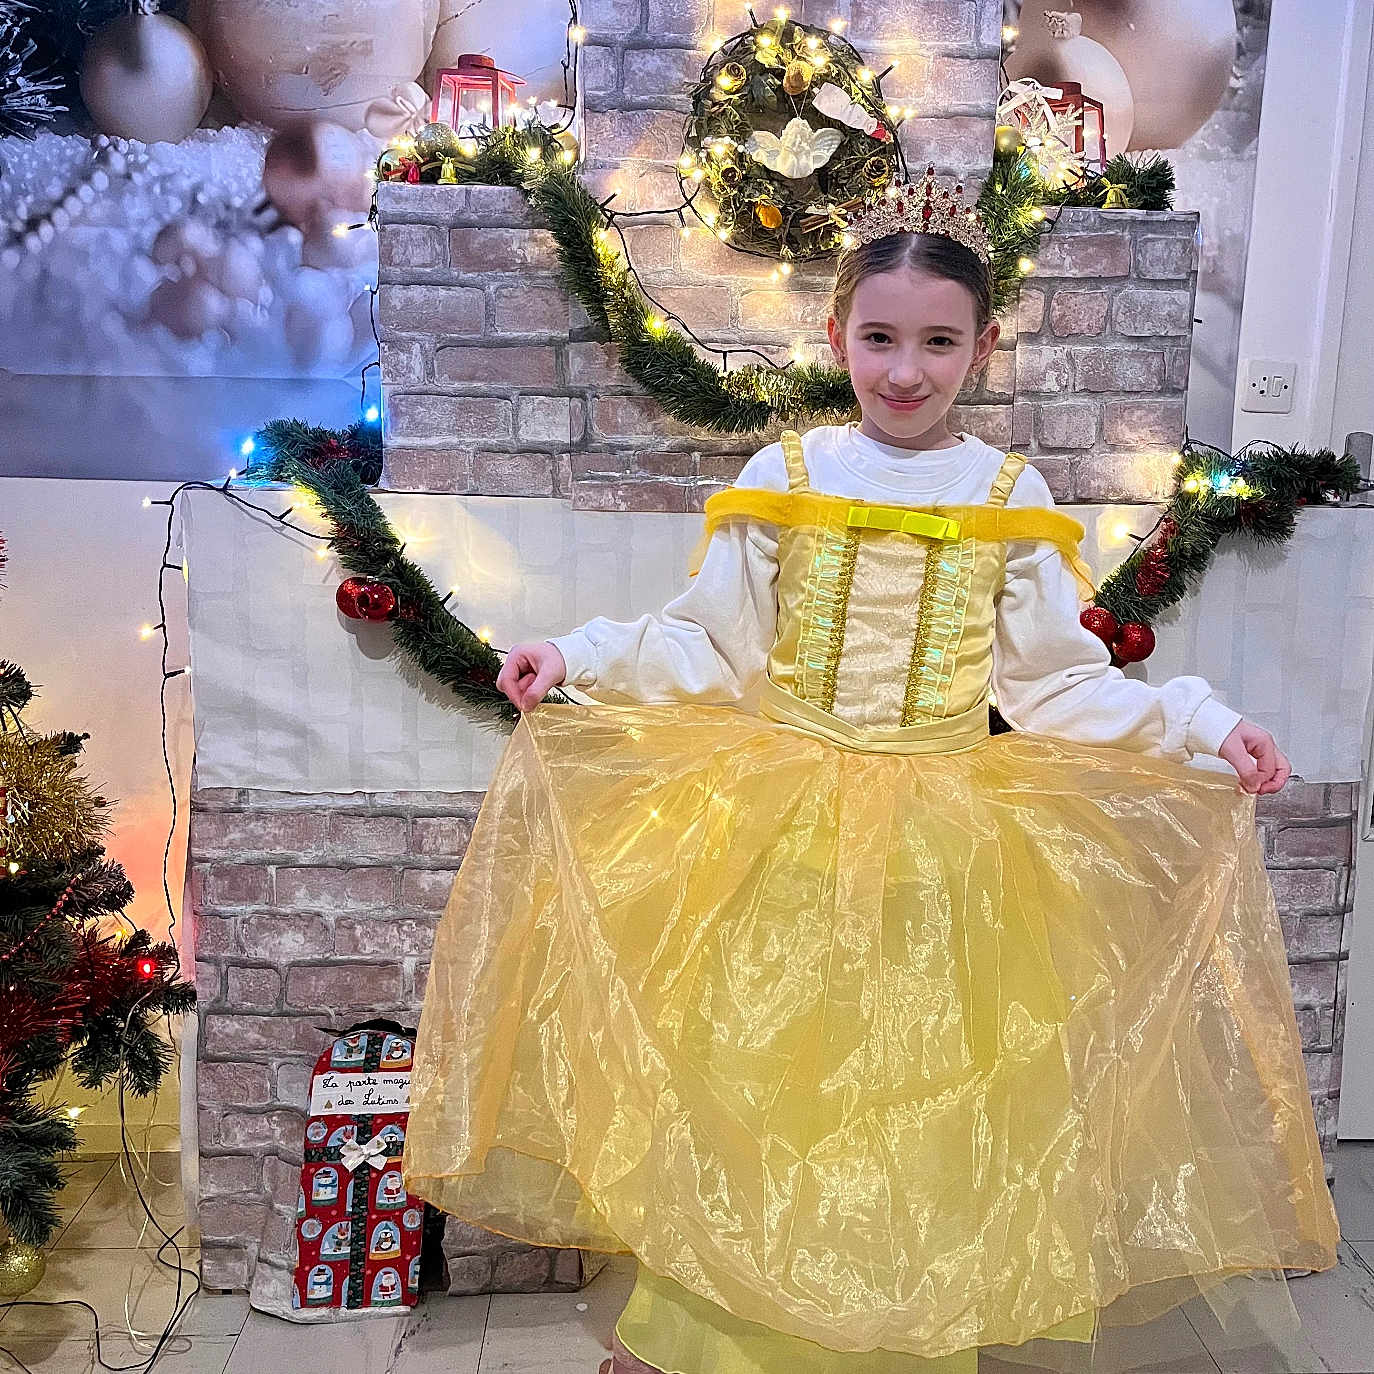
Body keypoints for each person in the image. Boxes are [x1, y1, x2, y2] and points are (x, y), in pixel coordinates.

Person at [402, 170, 1339, 1374]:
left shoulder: (1010, 495)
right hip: (785, 837)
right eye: (881, 337)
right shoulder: (789, 479)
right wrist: (572, 652)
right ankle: (708, 1339)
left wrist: (1205, 729)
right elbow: (705, 643)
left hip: (945, 854)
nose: (906, 370)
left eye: (939, 343)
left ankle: (900, 1336)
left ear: (982, 346)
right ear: (837, 331)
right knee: (764, 1098)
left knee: (919, 1107)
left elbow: (1056, 683)